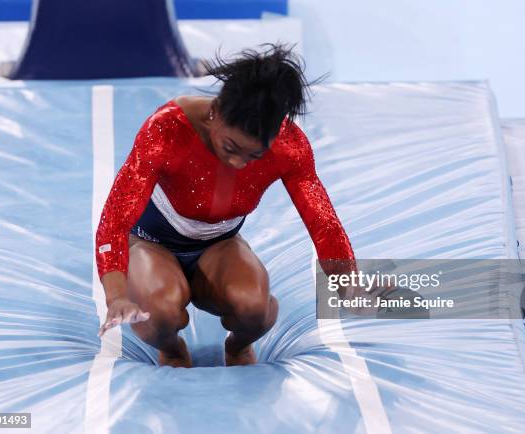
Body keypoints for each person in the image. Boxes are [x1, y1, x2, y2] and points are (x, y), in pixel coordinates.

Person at [95, 43, 356, 367]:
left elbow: (322, 219)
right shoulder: (166, 130)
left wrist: (346, 277)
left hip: (218, 247)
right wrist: (117, 295)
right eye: (230, 146)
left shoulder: (290, 147)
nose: (237, 163)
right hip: (151, 244)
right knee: (159, 311)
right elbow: (115, 220)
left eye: (254, 155)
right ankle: (172, 348)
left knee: (254, 308)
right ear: (215, 110)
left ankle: (237, 346)